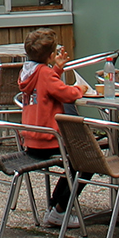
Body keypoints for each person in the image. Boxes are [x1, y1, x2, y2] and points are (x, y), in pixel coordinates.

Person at [16, 27, 90, 225]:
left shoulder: (27, 72)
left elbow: (45, 87)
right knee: (86, 161)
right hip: (49, 140)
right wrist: (79, 88)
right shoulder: (45, 74)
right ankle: (59, 210)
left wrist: (56, 69)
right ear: (50, 55)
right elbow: (67, 94)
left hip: (32, 140)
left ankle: (54, 207)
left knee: (74, 161)